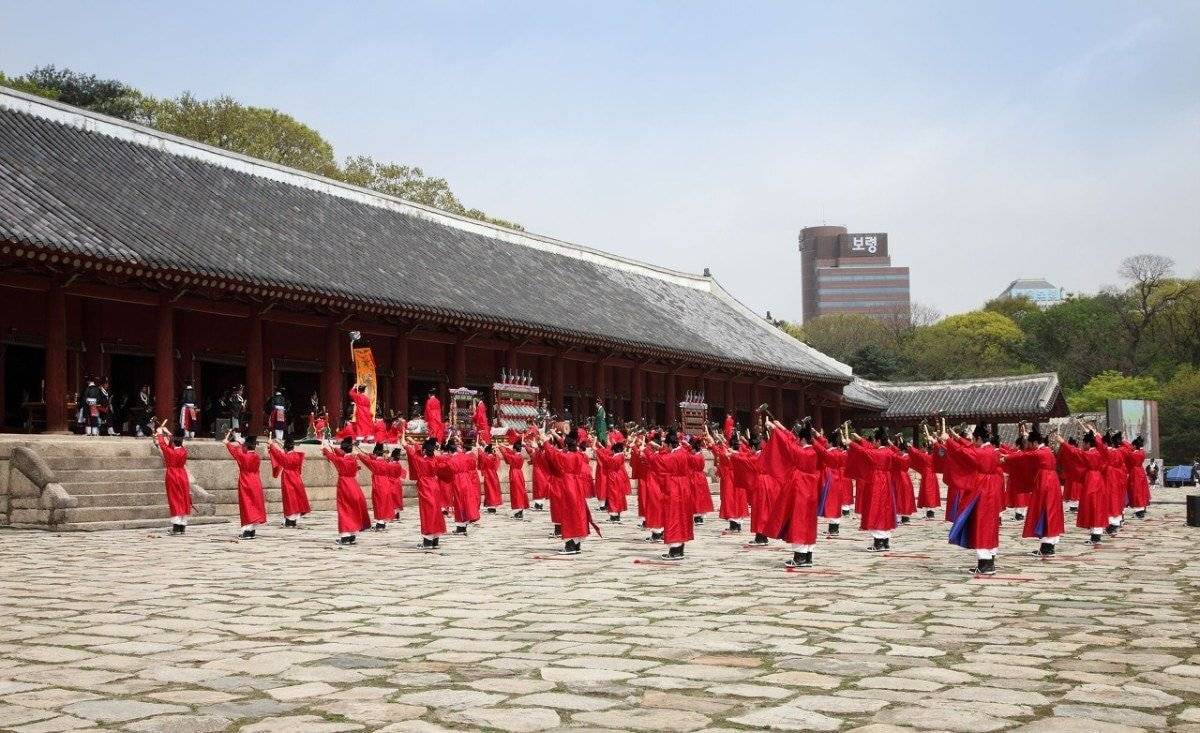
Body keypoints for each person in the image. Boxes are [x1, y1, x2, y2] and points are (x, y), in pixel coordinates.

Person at [944, 423, 1004, 575]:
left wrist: (948, 441)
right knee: (990, 525)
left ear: (978, 438)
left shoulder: (981, 453)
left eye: (974, 439)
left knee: (981, 525)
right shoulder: (992, 450)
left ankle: (984, 565)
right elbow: (970, 448)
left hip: (982, 490)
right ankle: (989, 561)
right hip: (992, 489)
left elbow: (964, 453)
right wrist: (956, 438)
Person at [1004, 427, 1065, 556]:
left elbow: (1025, 455)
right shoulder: (1047, 450)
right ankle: (1048, 545)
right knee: (1051, 512)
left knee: (1045, 510)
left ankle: (1047, 547)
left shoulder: (1040, 452)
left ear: (1035, 443)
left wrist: (1006, 458)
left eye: (1031, 444)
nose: (1030, 446)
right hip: (1052, 482)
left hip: (1045, 483)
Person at [538, 428, 595, 555]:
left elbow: (553, 455)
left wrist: (546, 442)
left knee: (569, 514)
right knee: (578, 512)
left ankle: (570, 545)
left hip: (568, 485)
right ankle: (577, 544)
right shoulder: (579, 455)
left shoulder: (565, 457)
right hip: (577, 485)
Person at [644, 428, 694, 561]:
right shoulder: (682, 452)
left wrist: (648, 449)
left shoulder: (672, 457)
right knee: (682, 517)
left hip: (674, 489)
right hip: (684, 487)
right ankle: (680, 548)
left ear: (670, 445)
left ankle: (675, 550)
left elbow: (656, 461)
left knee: (674, 517)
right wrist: (661, 447)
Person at [848, 427, 897, 552]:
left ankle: (878, 542)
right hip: (886, 480)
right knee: (885, 509)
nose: (873, 443)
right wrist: (859, 439)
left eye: (875, 441)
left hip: (877, 482)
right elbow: (869, 447)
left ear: (879, 441)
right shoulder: (889, 451)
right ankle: (885, 540)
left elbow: (865, 452)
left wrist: (851, 444)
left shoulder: (879, 453)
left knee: (876, 509)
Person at [322, 436, 372, 545]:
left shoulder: (341, 460)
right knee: (353, 509)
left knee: (344, 509)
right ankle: (353, 534)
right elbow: (340, 454)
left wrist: (325, 449)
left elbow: (331, 456)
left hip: (344, 485)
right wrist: (333, 447)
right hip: (354, 485)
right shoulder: (353, 459)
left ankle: (345, 536)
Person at [225, 430, 267, 540]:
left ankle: (247, 531)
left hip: (245, 481)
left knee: (247, 504)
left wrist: (228, 442)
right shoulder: (257, 457)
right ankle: (252, 529)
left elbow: (235, 451)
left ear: (246, 446)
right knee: (254, 504)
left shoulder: (243, 456)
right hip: (256, 481)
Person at [405, 437, 446, 549]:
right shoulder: (435, 460)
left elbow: (411, 452)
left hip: (425, 486)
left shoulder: (420, 461)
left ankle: (427, 541)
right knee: (436, 511)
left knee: (427, 512)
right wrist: (415, 443)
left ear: (424, 451)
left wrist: (408, 443)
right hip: (435, 485)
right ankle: (435, 538)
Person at [153, 422, 192, 535]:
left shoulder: (170, 452)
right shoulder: (184, 450)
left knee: (174, 499)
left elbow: (162, 444)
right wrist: (168, 432)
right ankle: (182, 525)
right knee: (184, 498)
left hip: (172, 475)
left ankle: (176, 526)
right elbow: (174, 442)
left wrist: (160, 434)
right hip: (182, 474)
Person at [268, 434, 311, 527]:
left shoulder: (285, 457)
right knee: (296, 498)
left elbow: (277, 454)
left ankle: (289, 520)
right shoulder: (297, 456)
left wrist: (271, 445)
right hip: (297, 478)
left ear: (286, 449)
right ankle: (294, 519)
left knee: (289, 499)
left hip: (288, 478)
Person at [357, 442, 401, 531]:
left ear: (375, 453)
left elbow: (364, 459)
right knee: (385, 503)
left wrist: (357, 452)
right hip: (387, 483)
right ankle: (383, 521)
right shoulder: (387, 463)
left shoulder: (374, 463)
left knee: (379, 503)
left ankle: (380, 523)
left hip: (378, 484)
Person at [594, 434, 630, 523]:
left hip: (614, 477)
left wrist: (598, 452)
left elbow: (608, 461)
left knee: (614, 495)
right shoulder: (619, 456)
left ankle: (614, 515)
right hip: (617, 477)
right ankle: (616, 514)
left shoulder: (617, 457)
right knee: (617, 495)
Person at [500, 440, 530, 519]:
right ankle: (520, 509)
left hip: (514, 474)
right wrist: (506, 447)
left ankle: (518, 511)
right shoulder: (520, 456)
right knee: (520, 491)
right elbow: (511, 453)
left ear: (515, 449)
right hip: (520, 473)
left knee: (516, 492)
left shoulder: (515, 457)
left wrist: (501, 448)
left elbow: (507, 455)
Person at [1126, 436, 1151, 520]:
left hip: (1135, 473)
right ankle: (1142, 508)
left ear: (1135, 446)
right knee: (1142, 490)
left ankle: (1139, 511)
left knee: (1137, 491)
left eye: (1132, 445)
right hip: (1141, 471)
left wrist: (1122, 441)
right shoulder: (1142, 452)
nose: (1131, 447)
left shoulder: (1133, 454)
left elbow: (1127, 452)